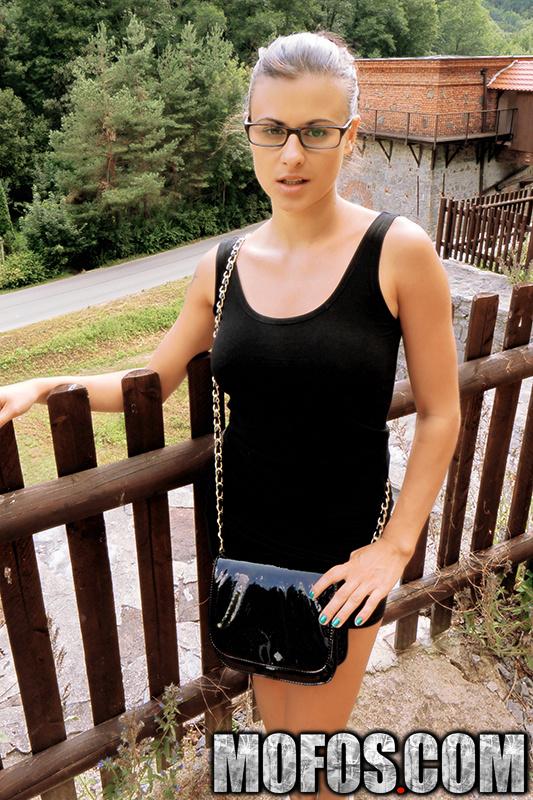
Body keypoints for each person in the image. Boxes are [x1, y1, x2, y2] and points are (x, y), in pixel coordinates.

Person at [0, 30, 461, 800]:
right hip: (249, 545)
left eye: (316, 131)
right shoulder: (221, 266)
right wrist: (49, 384)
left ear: (350, 136)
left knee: (314, 759)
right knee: (278, 732)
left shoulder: (397, 252)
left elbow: (441, 412)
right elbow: (152, 380)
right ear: (248, 131)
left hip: (343, 551)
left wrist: (394, 547)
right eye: (271, 129)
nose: (291, 155)